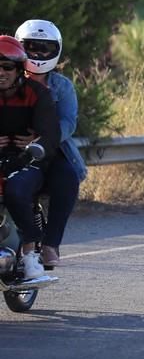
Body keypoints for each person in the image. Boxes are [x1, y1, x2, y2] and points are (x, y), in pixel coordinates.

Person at [15, 19, 87, 267]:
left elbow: (68, 123)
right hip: (9, 149)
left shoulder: (63, 87)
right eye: (31, 47)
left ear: (56, 51)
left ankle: (50, 244)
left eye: (44, 49)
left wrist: (41, 138)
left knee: (67, 178)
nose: (37, 54)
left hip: (50, 153)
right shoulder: (7, 81)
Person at [0, 35, 60, 279]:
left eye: (7, 67)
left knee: (15, 189)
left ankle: (30, 256)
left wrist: (34, 149)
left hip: (27, 160)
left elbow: (50, 135)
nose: (1, 73)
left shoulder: (37, 94)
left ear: (19, 69)